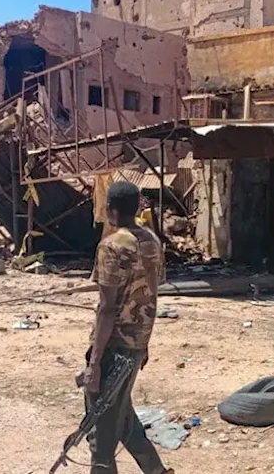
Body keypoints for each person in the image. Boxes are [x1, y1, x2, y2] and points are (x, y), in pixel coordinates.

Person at [82, 181, 173, 474]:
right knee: (121, 416)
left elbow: (107, 307)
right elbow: (150, 292)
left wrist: (94, 362)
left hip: (113, 346)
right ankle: (156, 471)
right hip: (135, 346)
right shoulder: (152, 241)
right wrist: (144, 342)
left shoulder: (112, 245)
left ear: (110, 210)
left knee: (101, 430)